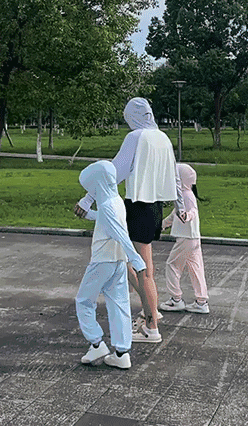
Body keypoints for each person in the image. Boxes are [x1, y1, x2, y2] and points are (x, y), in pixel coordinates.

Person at [75, 98, 186, 343]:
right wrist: (181, 206)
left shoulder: (136, 137)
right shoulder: (163, 138)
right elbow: (175, 175)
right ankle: (150, 310)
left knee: (140, 268)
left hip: (138, 205)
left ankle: (151, 326)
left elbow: (112, 173)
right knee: (132, 264)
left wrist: (87, 200)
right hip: (155, 207)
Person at [75, 160, 147, 369]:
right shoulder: (116, 201)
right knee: (119, 304)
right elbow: (108, 222)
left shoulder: (107, 205)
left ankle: (96, 343)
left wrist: (136, 259)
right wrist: (88, 214)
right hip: (117, 261)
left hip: (102, 261)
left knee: (84, 301)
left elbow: (119, 233)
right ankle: (122, 353)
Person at [160, 164, 209, 314]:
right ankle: (201, 302)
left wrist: (187, 216)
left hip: (186, 238)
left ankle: (176, 300)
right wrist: (162, 225)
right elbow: (175, 213)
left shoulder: (185, 195)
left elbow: (191, 211)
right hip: (192, 238)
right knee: (195, 268)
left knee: (172, 265)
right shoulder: (186, 194)